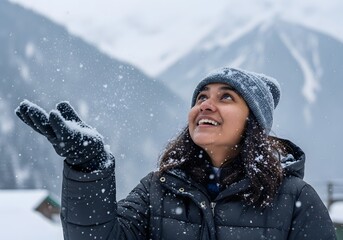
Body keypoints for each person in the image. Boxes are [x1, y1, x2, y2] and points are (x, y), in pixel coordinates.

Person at [15, 67, 336, 240]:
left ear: (253, 122)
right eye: (200, 97)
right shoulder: (157, 191)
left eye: (226, 97)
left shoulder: (294, 200)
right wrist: (89, 168)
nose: (205, 104)